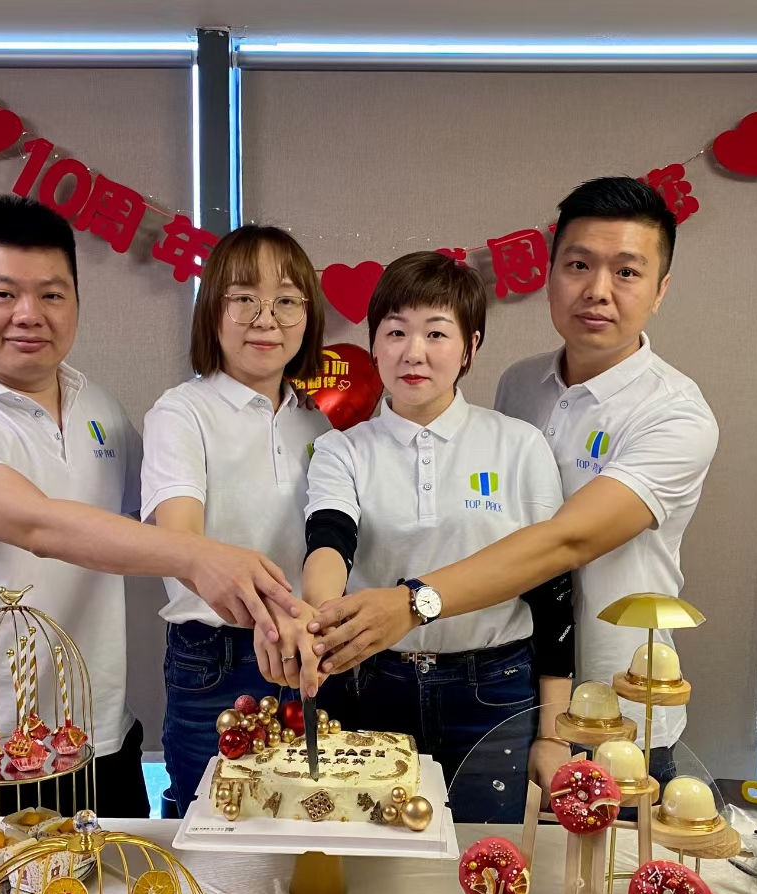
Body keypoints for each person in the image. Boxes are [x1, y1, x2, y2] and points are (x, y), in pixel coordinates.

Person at [0, 196, 301, 816]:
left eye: (52, 294)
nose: (29, 314)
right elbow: (38, 524)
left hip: (99, 734)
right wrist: (201, 557)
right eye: (3, 294)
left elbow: (152, 522)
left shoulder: (100, 409)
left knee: (131, 880)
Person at [307, 178, 719, 793]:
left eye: (627, 272)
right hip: (519, 691)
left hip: (615, 701)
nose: (598, 290)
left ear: (660, 289)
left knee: (597, 854)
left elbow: (563, 545)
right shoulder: (522, 386)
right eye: (578, 265)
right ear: (550, 275)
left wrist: (413, 603)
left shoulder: (676, 414)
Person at [275, 251, 572, 818]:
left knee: (488, 854)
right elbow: (330, 539)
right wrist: (319, 617)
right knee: (375, 855)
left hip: (494, 688)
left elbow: (552, 589)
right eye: (395, 332)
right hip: (373, 685)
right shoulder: (343, 449)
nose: (413, 352)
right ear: (374, 346)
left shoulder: (518, 445)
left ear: (470, 347)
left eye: (436, 333)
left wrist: (553, 732)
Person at [140, 225, 334, 814]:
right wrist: (277, 614)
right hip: (214, 657)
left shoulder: (317, 424)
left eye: (287, 300)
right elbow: (180, 542)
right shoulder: (182, 412)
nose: (265, 318)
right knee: (211, 825)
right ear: (212, 310)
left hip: (309, 651)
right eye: (244, 297)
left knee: (306, 819)